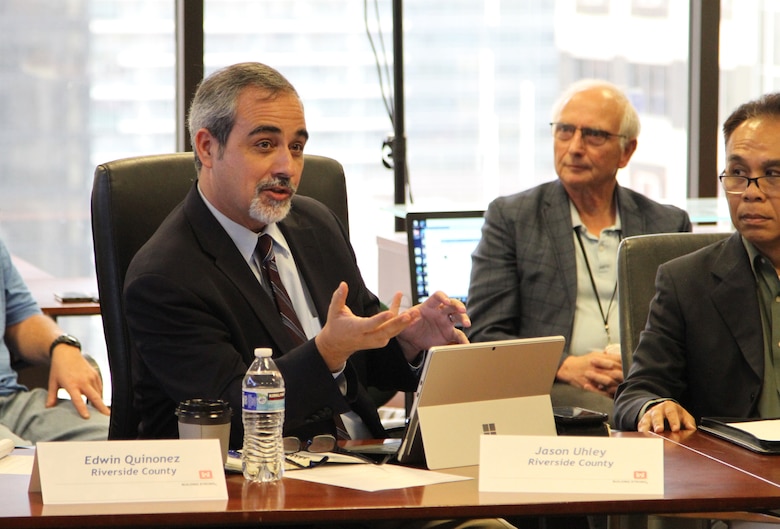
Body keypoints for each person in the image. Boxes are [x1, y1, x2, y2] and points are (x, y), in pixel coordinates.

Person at [123, 62, 471, 449]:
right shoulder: (164, 276)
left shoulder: (316, 225)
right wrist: (327, 352)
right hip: (261, 483)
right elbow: (232, 415)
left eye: (297, 147)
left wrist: (408, 341)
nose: (287, 167)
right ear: (207, 147)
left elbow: (364, 357)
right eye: (265, 145)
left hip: (365, 460)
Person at [467, 79, 691, 423]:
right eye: (565, 131)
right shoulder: (513, 218)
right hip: (556, 386)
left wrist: (639, 373)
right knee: (607, 415)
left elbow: (685, 334)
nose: (574, 147)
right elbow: (486, 334)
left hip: (645, 386)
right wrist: (564, 366)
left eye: (593, 135)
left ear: (627, 151)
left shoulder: (666, 223)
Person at [614, 92, 780, 433]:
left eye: (773, 173)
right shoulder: (686, 281)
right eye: (737, 172)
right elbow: (638, 392)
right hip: (733, 472)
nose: (751, 191)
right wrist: (655, 405)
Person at [0, 238, 109, 445]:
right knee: (22, 460)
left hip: (10, 402)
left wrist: (62, 345)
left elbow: (19, 316)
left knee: (122, 447)